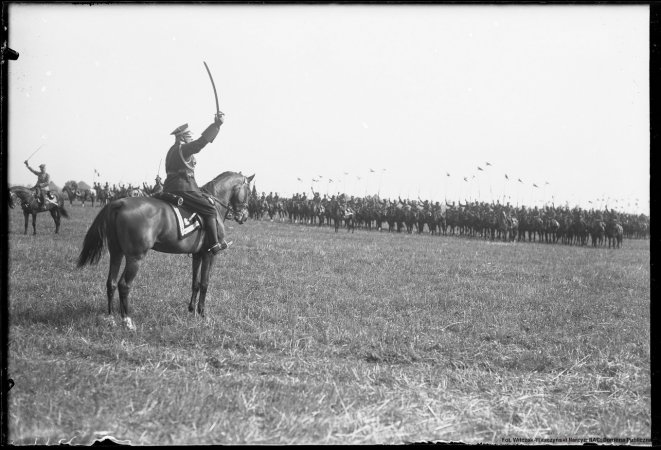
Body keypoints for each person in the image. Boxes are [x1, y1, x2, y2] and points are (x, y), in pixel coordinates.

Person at [163, 112, 228, 255]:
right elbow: (200, 143)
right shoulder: (183, 149)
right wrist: (216, 125)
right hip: (183, 189)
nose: (191, 137)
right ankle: (213, 244)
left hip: (169, 188)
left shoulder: (171, 150)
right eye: (189, 135)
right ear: (182, 137)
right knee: (210, 209)